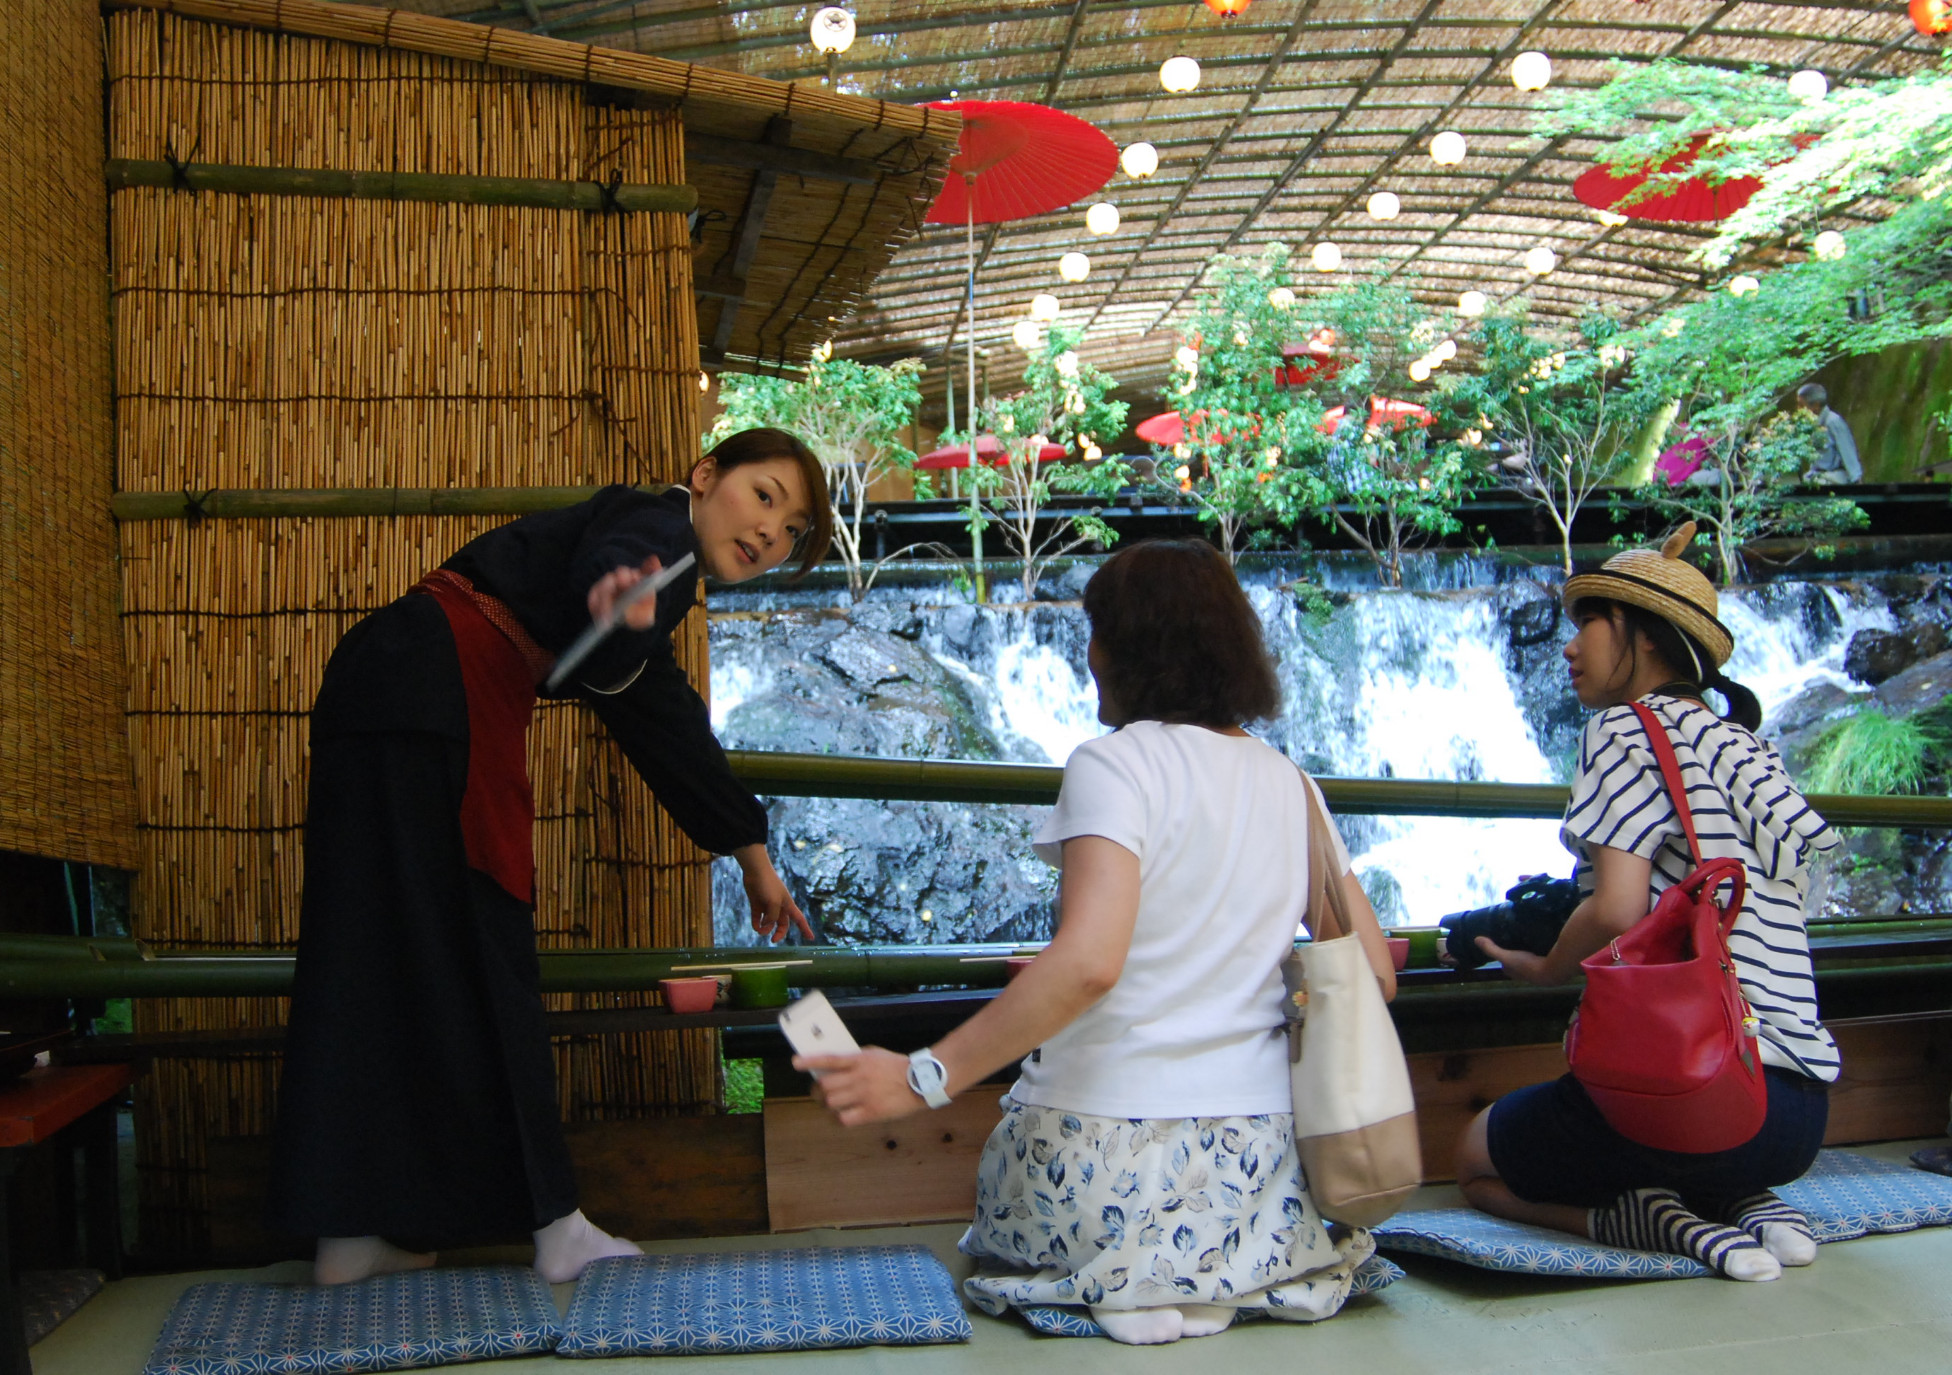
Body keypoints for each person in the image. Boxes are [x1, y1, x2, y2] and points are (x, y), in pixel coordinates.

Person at [799, 540, 1396, 1345]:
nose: (1086, 655)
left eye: (1095, 631)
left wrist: (922, 1076)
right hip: (1259, 1183)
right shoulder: (1293, 784)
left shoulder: (1113, 766)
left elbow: (1088, 962)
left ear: (1129, 646)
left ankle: (1126, 1281)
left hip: (1097, 1172)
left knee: (1023, 1197)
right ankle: (1204, 1283)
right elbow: (1375, 978)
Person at [270, 428, 830, 1285]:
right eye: (764, 496)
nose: (770, 531)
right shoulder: (662, 530)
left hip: (383, 678)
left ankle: (348, 1229)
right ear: (704, 476)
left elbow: (665, 720)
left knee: (369, 948)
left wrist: (748, 852)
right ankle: (554, 1225)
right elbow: (630, 551)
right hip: (443, 684)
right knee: (488, 950)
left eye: (792, 529)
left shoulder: (654, 587)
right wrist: (623, 587)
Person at [1454, 523, 1841, 1281]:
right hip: (1798, 1116)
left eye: (1589, 623)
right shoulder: (1748, 748)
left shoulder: (1624, 729)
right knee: (1680, 1137)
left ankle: (1640, 1218)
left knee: (1473, 1158)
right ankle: (1749, 1202)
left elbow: (1616, 909)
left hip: (1695, 1098)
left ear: (1646, 637)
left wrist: (1542, 968)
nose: (1569, 647)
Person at [1796, 383, 1863, 484]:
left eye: (1801, 405)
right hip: (1817, 475)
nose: (1798, 409)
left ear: (1816, 405)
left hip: (1835, 477)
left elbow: (1847, 451)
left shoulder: (1833, 421)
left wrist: (1857, 480)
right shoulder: (1811, 424)